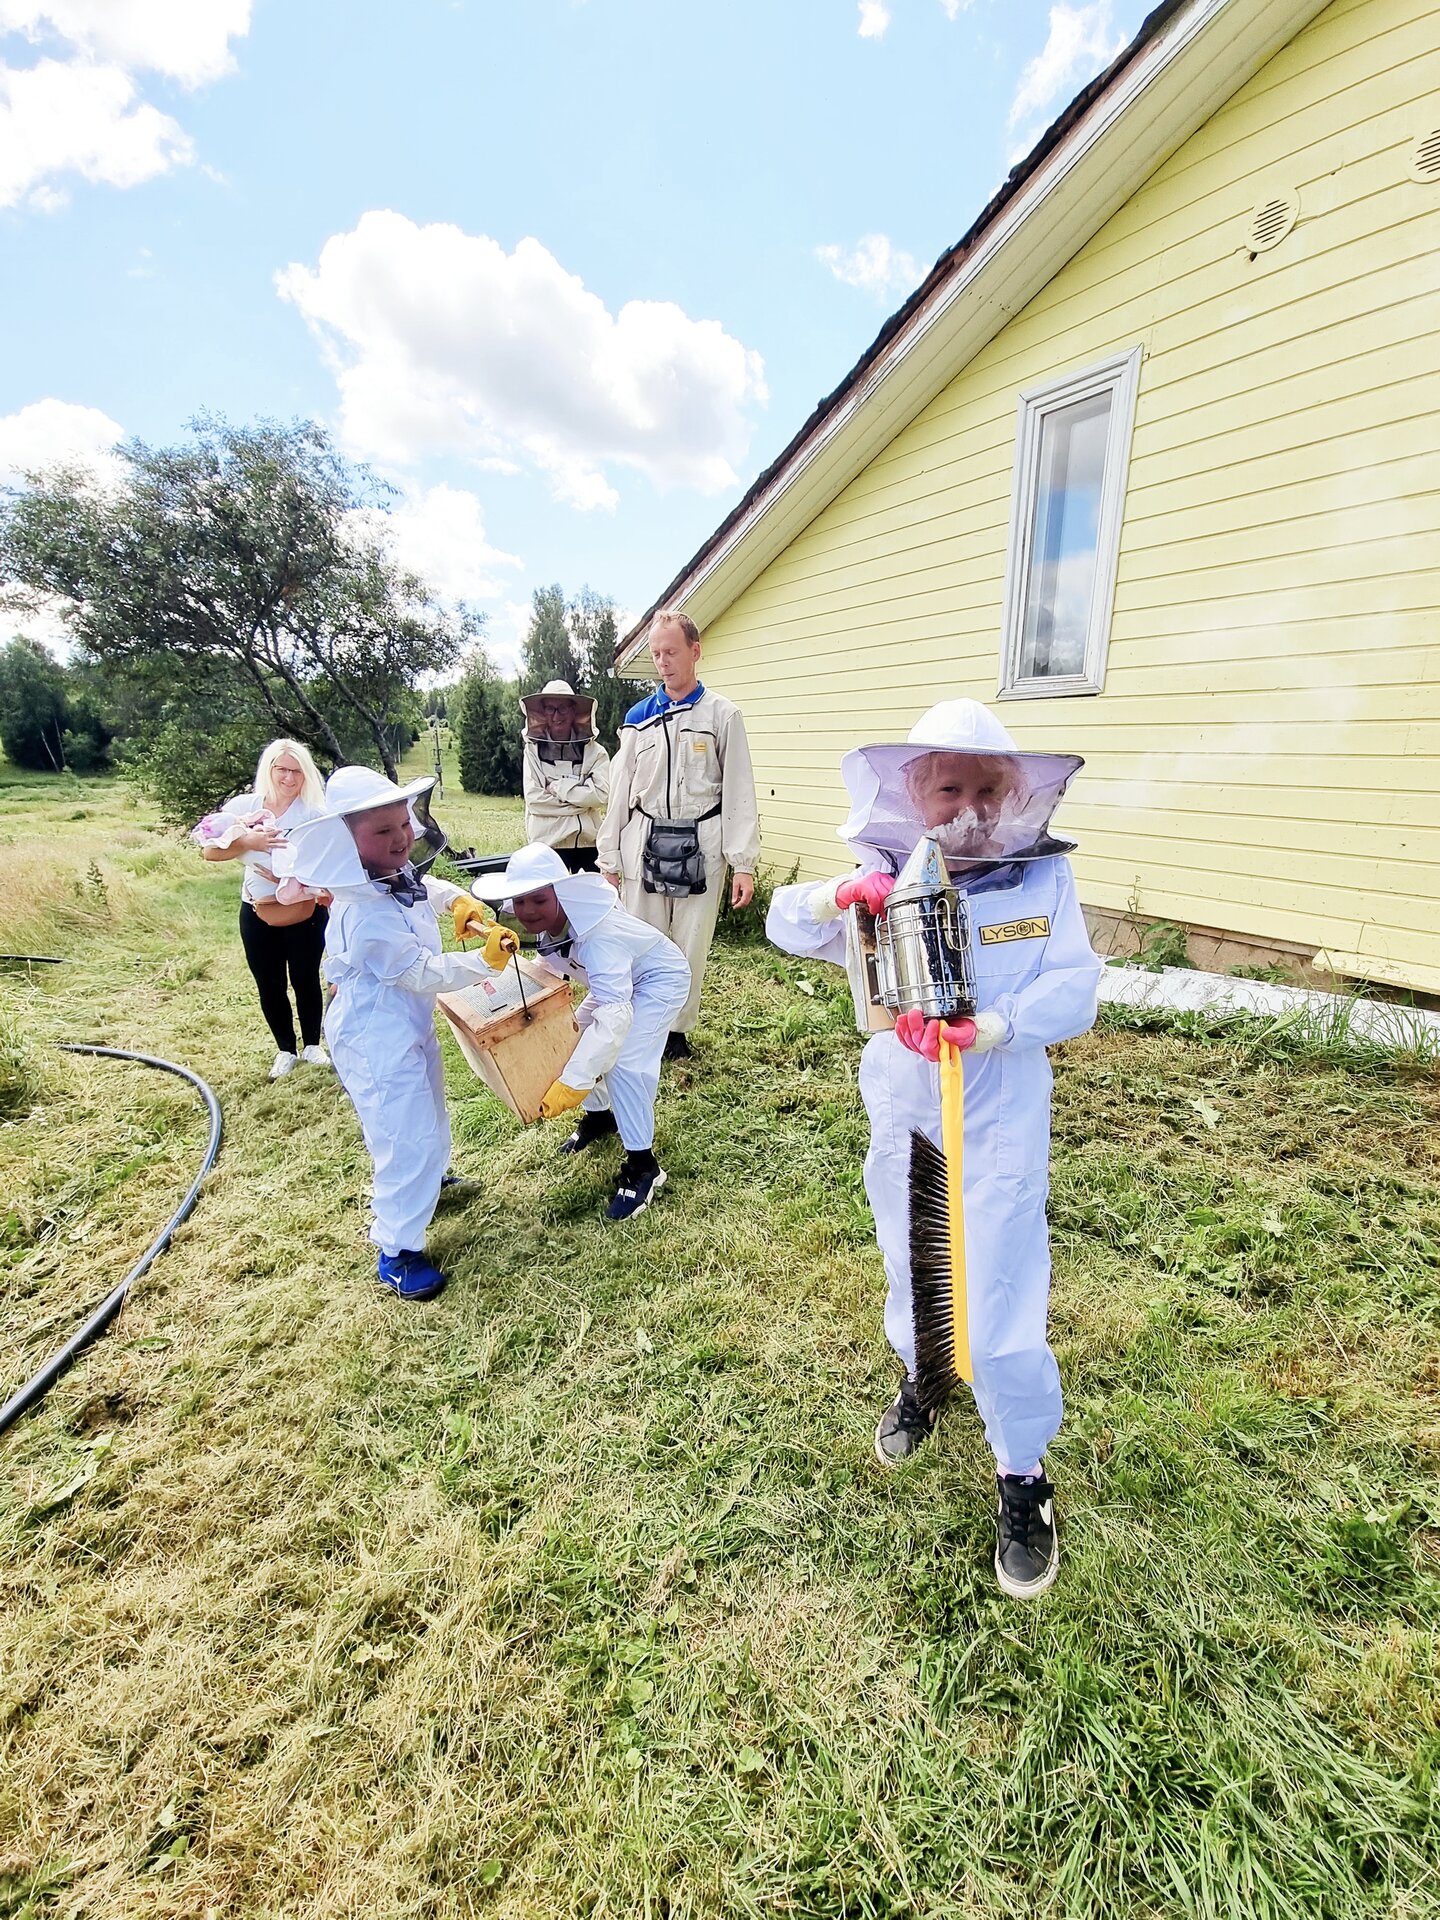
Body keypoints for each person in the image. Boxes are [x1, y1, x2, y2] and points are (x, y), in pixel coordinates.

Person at [766, 699, 1101, 1600]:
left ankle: (1022, 1469)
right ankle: (924, 1375)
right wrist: (836, 896)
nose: (968, 803)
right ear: (915, 796)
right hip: (907, 1103)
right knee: (912, 1255)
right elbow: (783, 926)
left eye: (985, 786)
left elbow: (1077, 989)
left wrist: (992, 1026)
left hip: (999, 1110)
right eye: (947, 786)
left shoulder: (1044, 882)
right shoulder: (884, 871)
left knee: (997, 1283)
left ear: (1011, 794)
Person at [275, 767, 503, 1301]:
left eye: (403, 823)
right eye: (383, 832)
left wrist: (459, 902)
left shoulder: (394, 876)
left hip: (407, 1020)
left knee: (429, 1105)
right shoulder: (362, 912)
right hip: (373, 1032)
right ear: (346, 842)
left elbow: (428, 889)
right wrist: (483, 961)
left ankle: (431, 1181)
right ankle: (397, 1248)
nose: (401, 837)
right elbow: (420, 970)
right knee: (401, 1133)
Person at [472, 842, 690, 1221]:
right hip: (618, 986)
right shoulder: (546, 924)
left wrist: (575, 1080)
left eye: (538, 900)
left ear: (561, 892)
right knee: (572, 1038)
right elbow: (548, 973)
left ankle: (643, 1167)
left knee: (625, 1061)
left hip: (659, 980)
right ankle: (600, 1116)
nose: (527, 912)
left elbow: (615, 1015)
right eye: (520, 902)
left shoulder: (598, 937)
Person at [596, 610, 759, 1061]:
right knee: (643, 940)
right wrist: (609, 861)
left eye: (671, 651)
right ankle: (642, 1026)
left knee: (689, 942)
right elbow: (619, 790)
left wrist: (743, 862)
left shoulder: (723, 716)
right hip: (643, 839)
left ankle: (676, 1033)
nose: (663, 662)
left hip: (702, 842)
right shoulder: (637, 719)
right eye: (656, 654)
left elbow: (740, 789)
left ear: (695, 651)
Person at [191, 738, 331, 1082]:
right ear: (269, 770)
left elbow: (327, 859)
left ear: (306, 774)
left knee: (306, 976)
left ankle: (312, 1044)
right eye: (282, 769)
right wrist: (250, 842)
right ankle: (285, 1048)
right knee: (268, 981)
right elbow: (210, 852)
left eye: (296, 771)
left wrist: (293, 875)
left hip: (305, 910)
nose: (289, 777)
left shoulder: (314, 812)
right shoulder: (244, 806)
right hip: (256, 910)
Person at [520, 680, 611, 870]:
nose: (556, 715)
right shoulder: (532, 751)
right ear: (543, 712)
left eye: (562, 708)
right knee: (551, 900)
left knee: (588, 899)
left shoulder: (596, 752)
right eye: (550, 709)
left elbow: (602, 794)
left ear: (573, 711)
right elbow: (534, 800)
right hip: (547, 845)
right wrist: (581, 803)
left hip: (589, 844)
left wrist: (556, 788)